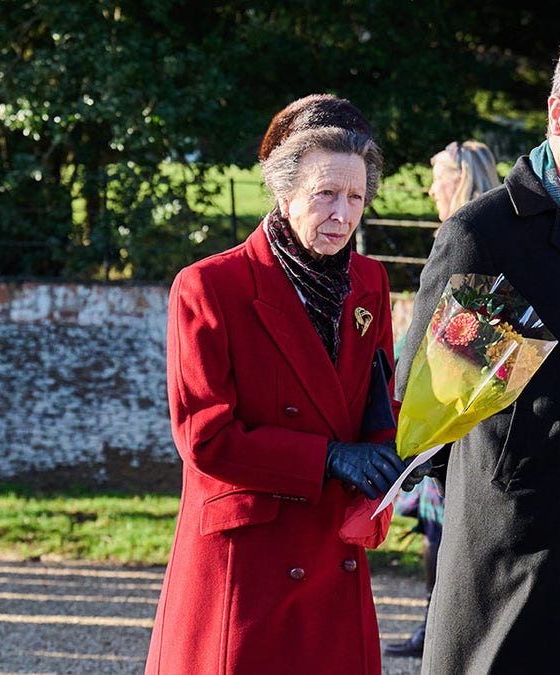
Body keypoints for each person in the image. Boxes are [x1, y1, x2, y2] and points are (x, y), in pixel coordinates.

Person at [393, 30, 560, 673]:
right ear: (557, 113)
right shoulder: (486, 235)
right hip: (516, 553)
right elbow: (430, 406)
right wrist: (494, 499)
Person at [146, 95, 425, 675]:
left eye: (356, 198)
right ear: (283, 190)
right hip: (247, 563)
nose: (343, 215)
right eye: (326, 194)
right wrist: (328, 458)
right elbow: (206, 440)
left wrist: (393, 453)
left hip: (332, 546)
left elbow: (375, 395)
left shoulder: (369, 280)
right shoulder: (207, 286)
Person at [384, 139, 500, 659]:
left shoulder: (473, 236)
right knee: (439, 530)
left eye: (438, 176)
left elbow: (467, 341)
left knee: (450, 534)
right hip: (450, 411)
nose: (431, 188)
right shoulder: (474, 233)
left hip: (458, 416)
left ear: (464, 179)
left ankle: (446, 631)